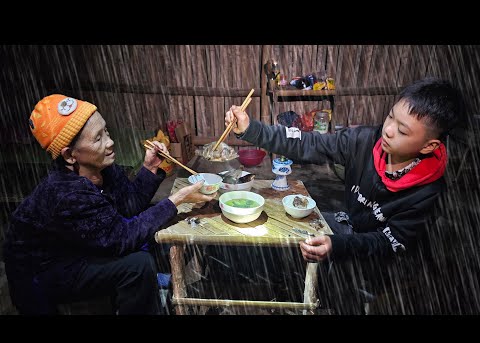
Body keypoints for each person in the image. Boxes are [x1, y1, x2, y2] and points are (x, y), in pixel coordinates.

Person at [225, 77, 465, 314]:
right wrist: (251, 129)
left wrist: (337, 245)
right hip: (348, 227)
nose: (388, 130)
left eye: (402, 130)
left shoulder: (429, 191)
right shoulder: (365, 141)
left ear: (428, 146)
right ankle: (286, 294)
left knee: (343, 293)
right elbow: (308, 144)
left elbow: (389, 243)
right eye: (390, 116)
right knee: (286, 233)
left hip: (380, 263)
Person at [3, 94, 216, 315]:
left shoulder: (102, 167)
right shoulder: (66, 193)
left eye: (106, 131)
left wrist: (150, 168)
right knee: (138, 265)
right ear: (69, 155)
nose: (110, 142)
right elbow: (121, 238)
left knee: (151, 232)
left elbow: (129, 205)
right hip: (44, 271)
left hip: (78, 246)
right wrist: (176, 200)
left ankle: (153, 296)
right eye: (98, 138)